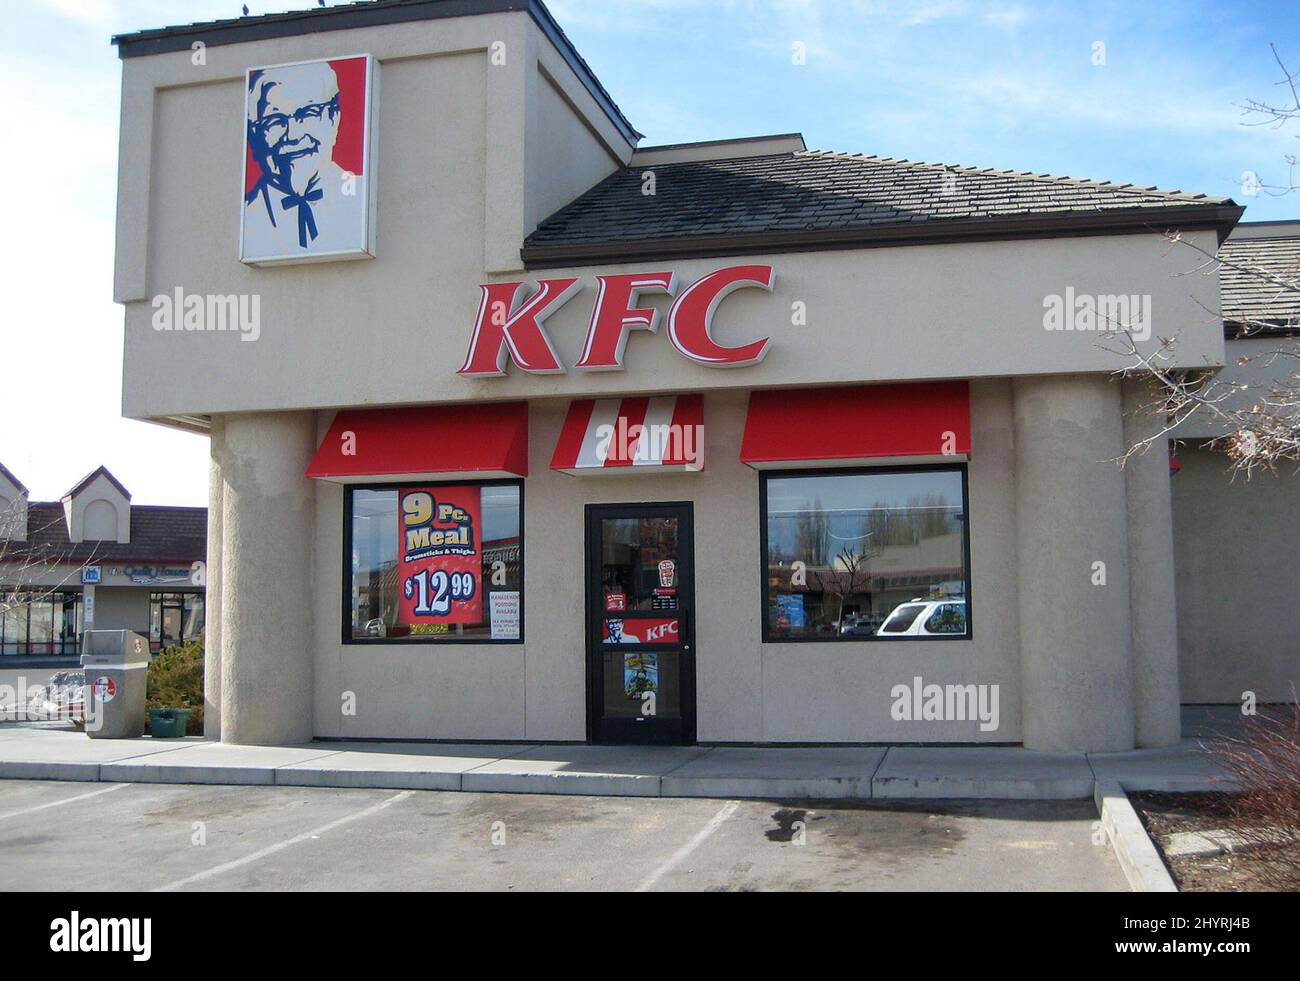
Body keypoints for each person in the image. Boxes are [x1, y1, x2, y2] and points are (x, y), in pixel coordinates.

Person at [244, 60, 364, 258]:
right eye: (275, 121)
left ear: (333, 119)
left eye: (307, 114)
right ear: (255, 135)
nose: (293, 135)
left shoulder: (363, 201)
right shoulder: (247, 217)